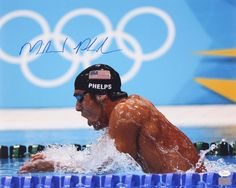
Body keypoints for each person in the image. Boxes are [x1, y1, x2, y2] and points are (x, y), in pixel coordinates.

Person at [20, 64, 204, 173]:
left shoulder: (125, 113)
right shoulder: (130, 107)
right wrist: (57, 156)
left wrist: (55, 165)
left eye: (79, 98)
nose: (77, 107)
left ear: (100, 96)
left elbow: (102, 167)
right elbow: (99, 157)